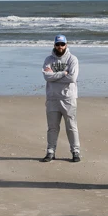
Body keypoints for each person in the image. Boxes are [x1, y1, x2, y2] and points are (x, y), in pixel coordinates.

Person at [41, 34, 81, 162]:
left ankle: (75, 151)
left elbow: (72, 78)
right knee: (52, 127)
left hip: (68, 99)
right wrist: (63, 73)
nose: (60, 47)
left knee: (71, 126)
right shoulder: (48, 59)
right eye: (57, 44)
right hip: (52, 98)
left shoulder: (72, 59)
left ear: (66, 45)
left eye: (62, 44)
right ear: (54, 45)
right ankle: (50, 151)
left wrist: (55, 76)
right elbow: (47, 76)